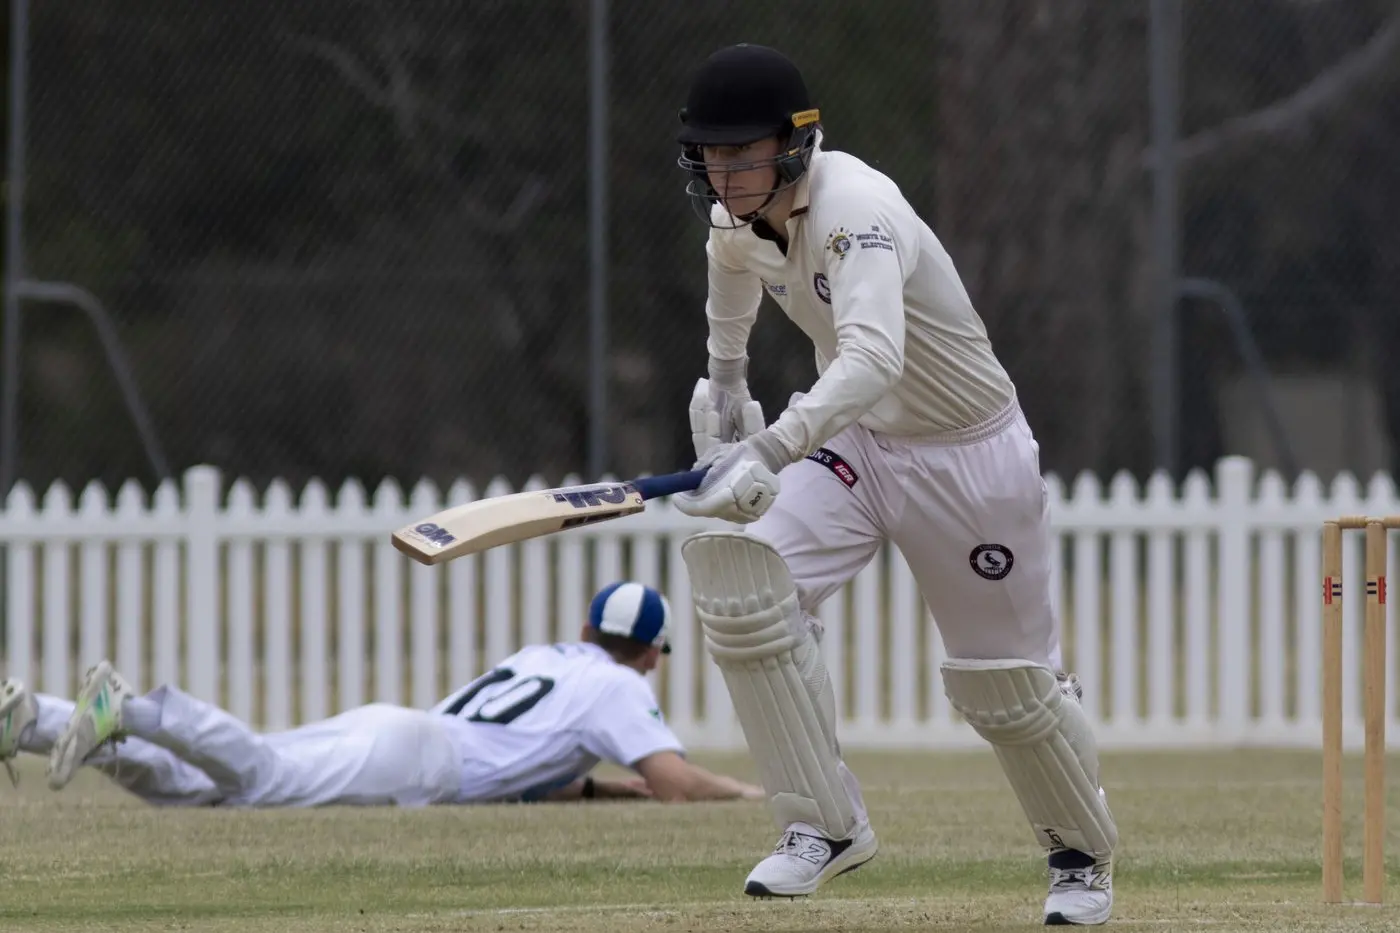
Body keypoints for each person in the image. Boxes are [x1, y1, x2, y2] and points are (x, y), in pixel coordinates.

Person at [667, 43, 1117, 925]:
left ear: (794, 145)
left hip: (968, 454)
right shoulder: (735, 217)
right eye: (710, 158)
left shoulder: (856, 211)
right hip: (864, 444)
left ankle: (1081, 857)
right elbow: (733, 278)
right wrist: (726, 388)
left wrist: (774, 448)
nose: (723, 176)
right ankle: (822, 827)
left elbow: (875, 355)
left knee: (1010, 686)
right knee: (746, 586)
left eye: (740, 154)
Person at [1, 581, 762, 808]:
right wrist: (747, 791)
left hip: (403, 733)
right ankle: (130, 709)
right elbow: (676, 782)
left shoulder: (553, 656)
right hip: (418, 764)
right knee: (258, 777)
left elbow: (523, 755)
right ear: (652, 655)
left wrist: (593, 791)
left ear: (588, 625)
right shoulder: (620, 688)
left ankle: (35, 720)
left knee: (201, 792)